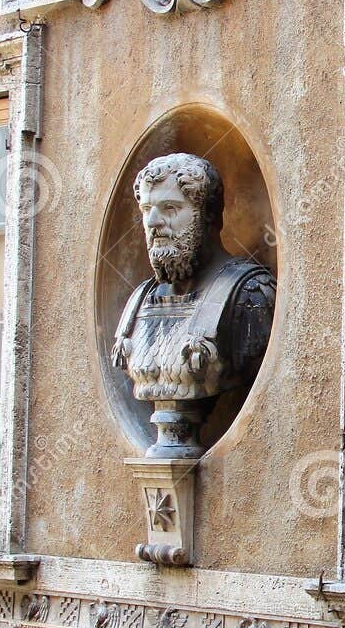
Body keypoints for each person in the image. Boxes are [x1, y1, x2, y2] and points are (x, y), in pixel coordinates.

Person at [111, 153, 276, 458]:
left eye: (170, 208)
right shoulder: (138, 302)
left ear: (209, 215)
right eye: (147, 209)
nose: (153, 222)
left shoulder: (248, 295)